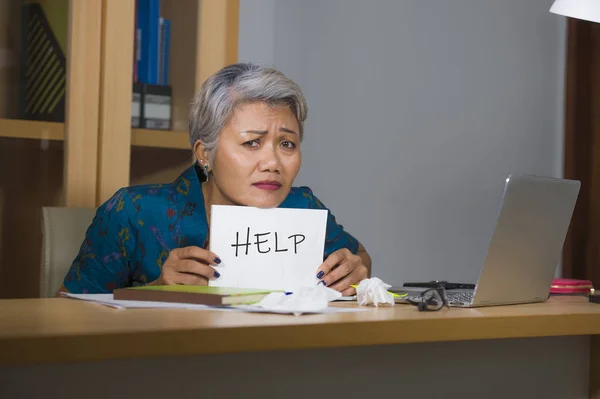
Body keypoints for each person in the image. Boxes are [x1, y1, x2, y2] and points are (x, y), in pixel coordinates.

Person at [58, 62, 371, 296]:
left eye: (287, 144)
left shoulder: (302, 206)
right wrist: (156, 291)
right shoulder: (133, 211)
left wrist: (356, 270)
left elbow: (359, 257)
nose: (273, 162)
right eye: (252, 143)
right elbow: (65, 312)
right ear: (204, 153)